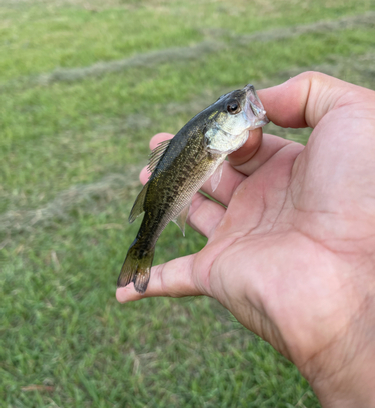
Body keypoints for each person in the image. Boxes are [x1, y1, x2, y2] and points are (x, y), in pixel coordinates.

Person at [117, 71, 375, 407]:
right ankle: (142, 249)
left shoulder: (215, 145)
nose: (245, 102)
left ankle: (141, 250)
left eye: (234, 106)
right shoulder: (206, 147)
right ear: (213, 133)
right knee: (161, 214)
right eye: (235, 108)